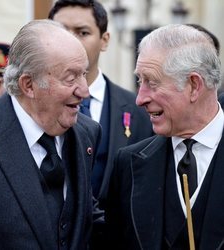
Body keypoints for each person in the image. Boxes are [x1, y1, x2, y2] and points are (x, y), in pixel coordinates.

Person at [0, 19, 101, 249]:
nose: (84, 90)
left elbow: (85, 220)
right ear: (28, 85)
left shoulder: (86, 133)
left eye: (84, 74)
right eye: (70, 78)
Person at [105, 24, 223, 249]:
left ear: (194, 85)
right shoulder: (128, 165)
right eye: (140, 81)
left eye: (152, 82)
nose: (139, 99)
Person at [48, 0, 153, 208]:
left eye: (82, 32)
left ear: (104, 40)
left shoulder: (139, 109)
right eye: (61, 32)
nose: (70, 41)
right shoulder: (33, 106)